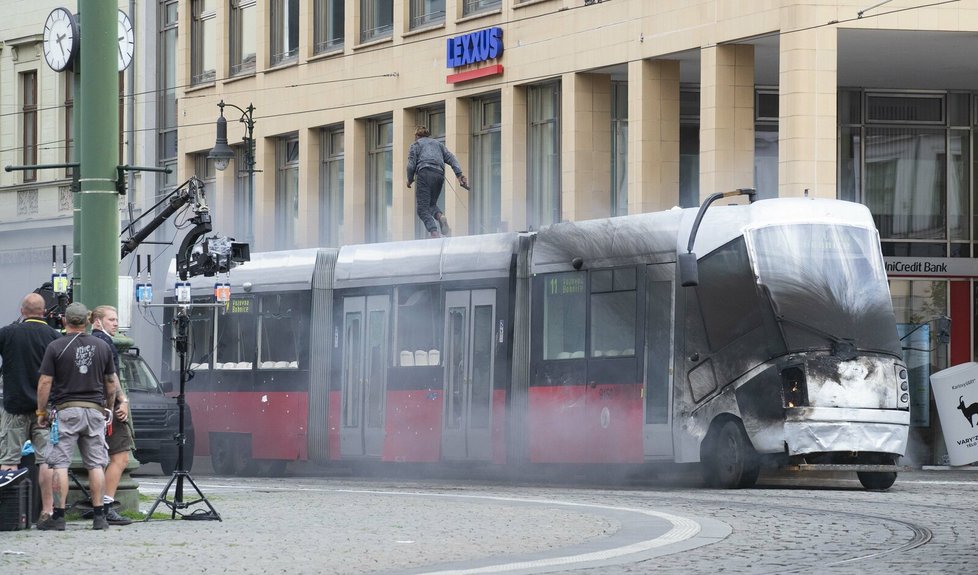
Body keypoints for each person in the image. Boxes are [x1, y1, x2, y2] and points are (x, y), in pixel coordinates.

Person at [35, 302, 119, 531]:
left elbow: (45, 382)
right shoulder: (101, 347)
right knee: (95, 464)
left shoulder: (55, 346)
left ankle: (59, 516)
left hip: (66, 410)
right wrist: (108, 407)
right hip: (94, 410)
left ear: (65, 321)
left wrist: (41, 411)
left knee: (60, 463)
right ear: (88, 321)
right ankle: (100, 516)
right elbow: (111, 382)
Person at [0, 293, 60, 520]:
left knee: (9, 459)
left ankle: (8, 511)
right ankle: (47, 510)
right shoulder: (53, 336)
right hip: (44, 409)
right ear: (43, 312)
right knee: (46, 460)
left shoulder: (8, 333)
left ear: (22, 311)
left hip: (14, 406)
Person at [86, 305, 132, 526]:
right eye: (111, 319)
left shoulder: (85, 343)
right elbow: (112, 380)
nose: (116, 323)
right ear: (97, 321)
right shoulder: (106, 345)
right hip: (107, 406)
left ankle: (92, 503)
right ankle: (106, 505)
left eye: (116, 319)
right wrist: (121, 403)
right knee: (120, 457)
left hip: (86, 405)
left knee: (95, 459)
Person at [406, 126, 467, 238]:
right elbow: (452, 158)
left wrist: (409, 180)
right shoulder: (439, 144)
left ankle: (434, 233)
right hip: (439, 175)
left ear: (417, 136)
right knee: (431, 204)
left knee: (422, 209)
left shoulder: (416, 145)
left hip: (424, 174)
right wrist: (459, 175)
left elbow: (411, 164)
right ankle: (440, 217)